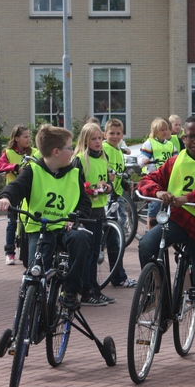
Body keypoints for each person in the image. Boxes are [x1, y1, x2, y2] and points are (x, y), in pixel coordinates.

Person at [138, 115, 195, 370]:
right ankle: (157, 294)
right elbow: (147, 180)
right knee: (147, 244)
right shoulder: (175, 160)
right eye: (190, 136)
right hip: (179, 220)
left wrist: (187, 197)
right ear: (183, 137)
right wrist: (157, 191)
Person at [0, 124, 93, 311]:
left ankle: (71, 292)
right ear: (56, 151)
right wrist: (5, 197)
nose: (72, 152)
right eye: (69, 148)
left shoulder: (74, 173)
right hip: (39, 230)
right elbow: (16, 187)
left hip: (64, 228)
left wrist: (77, 217)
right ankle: (31, 307)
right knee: (35, 271)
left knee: (81, 238)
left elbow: (84, 203)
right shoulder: (33, 170)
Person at [72, 122, 117, 307]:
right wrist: (89, 190)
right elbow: (75, 186)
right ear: (85, 140)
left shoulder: (103, 157)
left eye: (100, 138)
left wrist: (108, 187)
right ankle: (86, 291)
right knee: (88, 253)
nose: (98, 142)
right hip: (86, 211)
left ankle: (94, 289)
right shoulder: (80, 159)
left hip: (99, 210)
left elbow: (105, 182)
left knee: (96, 251)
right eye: (94, 139)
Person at [0, 125, 39, 265]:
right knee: (12, 222)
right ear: (16, 138)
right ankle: (9, 252)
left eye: (29, 136)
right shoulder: (7, 152)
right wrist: (14, 167)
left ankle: (26, 251)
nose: (28, 139)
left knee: (28, 222)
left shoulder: (35, 152)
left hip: (29, 193)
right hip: (13, 194)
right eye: (25, 137)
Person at [102, 118, 137, 288]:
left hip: (115, 197)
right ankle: (118, 277)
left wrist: (124, 183)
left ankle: (117, 276)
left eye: (118, 134)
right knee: (114, 239)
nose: (115, 136)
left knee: (114, 239)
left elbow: (119, 172)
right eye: (111, 133)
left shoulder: (117, 150)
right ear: (105, 134)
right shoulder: (104, 149)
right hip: (105, 199)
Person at [137, 118, 178, 229]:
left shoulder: (170, 145)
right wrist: (144, 161)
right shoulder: (149, 143)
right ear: (155, 131)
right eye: (161, 130)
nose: (165, 132)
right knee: (155, 204)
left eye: (166, 129)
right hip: (153, 176)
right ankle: (150, 228)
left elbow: (177, 159)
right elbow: (141, 157)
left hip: (167, 177)